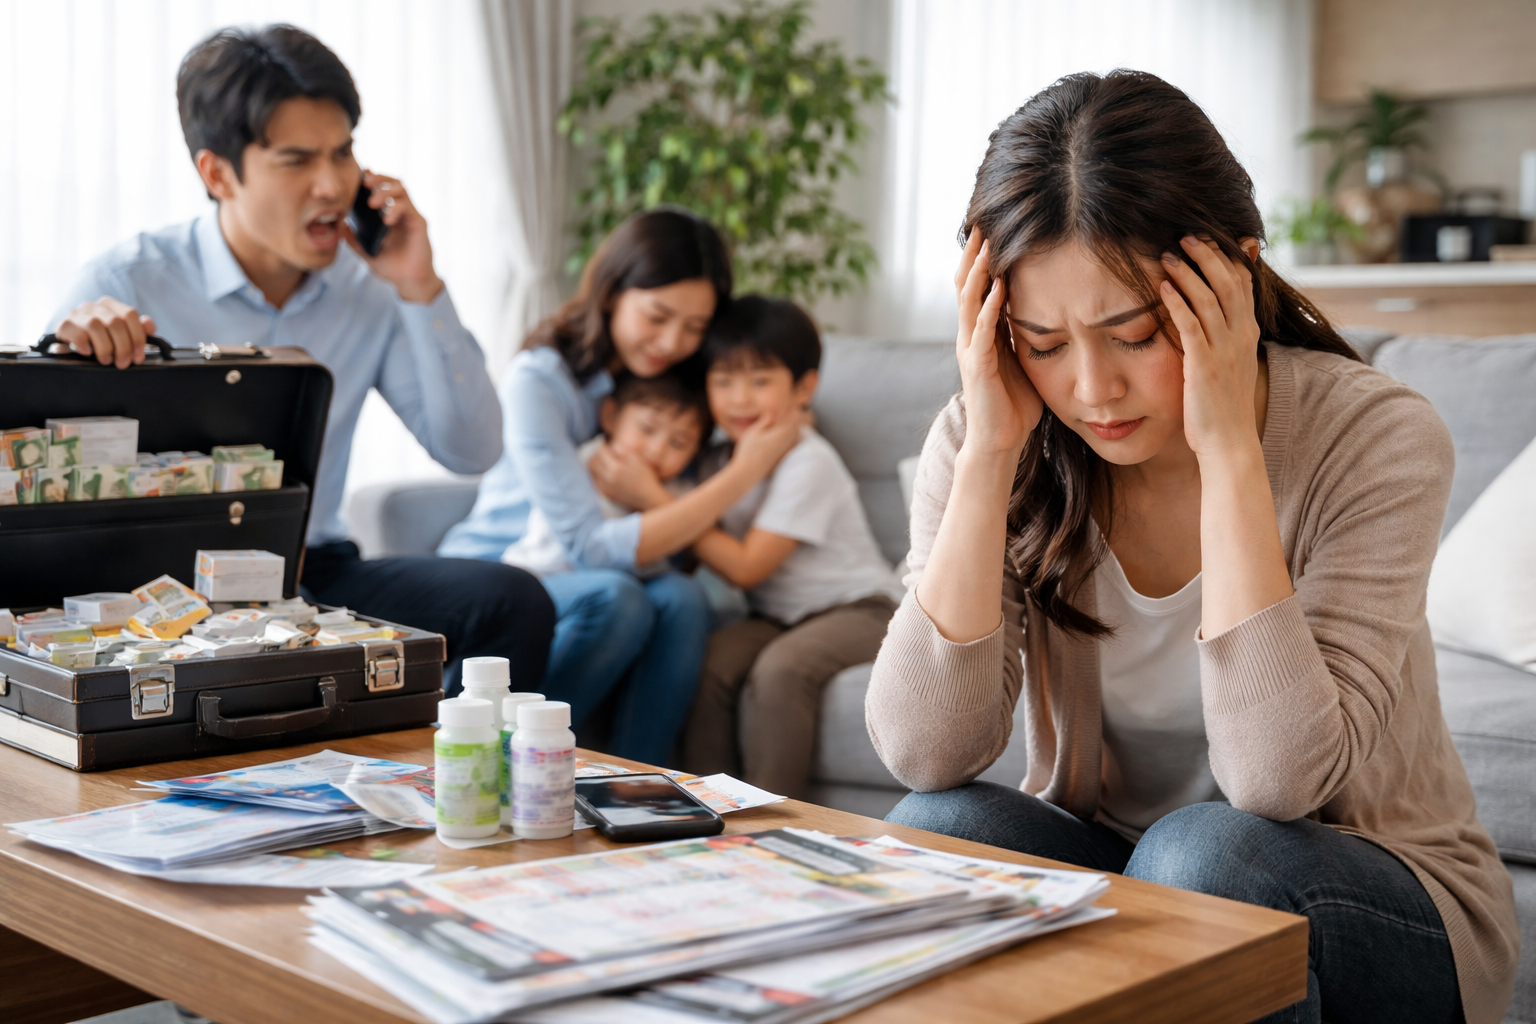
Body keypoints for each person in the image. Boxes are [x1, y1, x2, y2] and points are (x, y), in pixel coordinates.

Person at [867, 71, 1517, 1024]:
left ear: (1233, 276)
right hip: (1131, 869)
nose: (1092, 390)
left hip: (1370, 897)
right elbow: (925, 753)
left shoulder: (1376, 436)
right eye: (1042, 343)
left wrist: (1227, 451)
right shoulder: (991, 435)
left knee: (1208, 857)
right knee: (937, 832)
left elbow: (1276, 781)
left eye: (1132, 334)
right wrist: (992, 452)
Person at [45, 25, 554, 694]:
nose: (332, 185)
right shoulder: (130, 281)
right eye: (296, 160)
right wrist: (66, 353)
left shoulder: (370, 282)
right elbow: (46, 500)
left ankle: (439, 783)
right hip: (158, 588)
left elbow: (472, 449)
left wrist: (420, 290)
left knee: (511, 601)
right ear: (218, 172)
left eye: (342, 154)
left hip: (310, 570)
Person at [440, 210, 802, 765]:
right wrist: (744, 472)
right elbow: (589, 547)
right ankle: (519, 759)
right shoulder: (540, 380)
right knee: (617, 598)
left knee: (683, 599)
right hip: (501, 571)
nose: (672, 342)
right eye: (657, 316)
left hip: (600, 572)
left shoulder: (667, 384)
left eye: (694, 327)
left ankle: (639, 781)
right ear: (612, 292)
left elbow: (766, 398)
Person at [682, 296, 903, 798]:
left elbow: (746, 567)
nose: (739, 398)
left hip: (861, 608)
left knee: (782, 670)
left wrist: (653, 501)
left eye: (759, 381)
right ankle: (702, 808)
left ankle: (769, 826)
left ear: (804, 387)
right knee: (712, 660)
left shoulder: (808, 460)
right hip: (779, 615)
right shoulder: (720, 459)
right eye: (723, 380)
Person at [501, 367, 711, 578]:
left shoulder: (683, 492)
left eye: (678, 443)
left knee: (680, 592)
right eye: (647, 429)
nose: (657, 450)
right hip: (547, 571)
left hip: (634, 580)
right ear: (610, 416)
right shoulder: (588, 461)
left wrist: (650, 496)